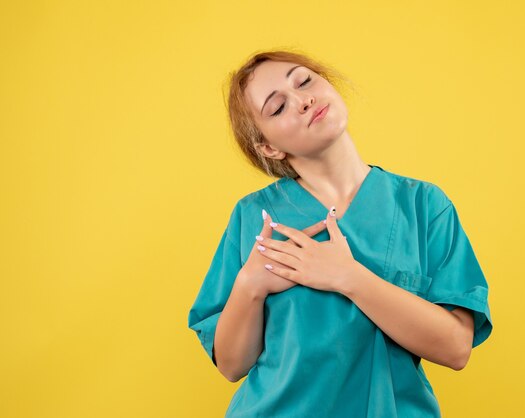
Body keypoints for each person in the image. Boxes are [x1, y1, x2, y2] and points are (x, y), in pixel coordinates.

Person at [188, 49, 494, 417]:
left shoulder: (423, 205)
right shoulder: (255, 218)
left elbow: (456, 348)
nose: (303, 101)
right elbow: (232, 365)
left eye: (305, 81)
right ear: (269, 147)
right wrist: (250, 286)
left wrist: (349, 277)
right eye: (278, 107)